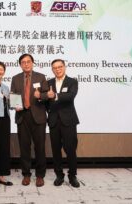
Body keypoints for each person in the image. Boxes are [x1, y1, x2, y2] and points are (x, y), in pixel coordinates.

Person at [10, 54, 49, 187]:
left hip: (38, 116)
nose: (26, 64)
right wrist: (14, 105)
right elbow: (12, 95)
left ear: (32, 63)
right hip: (22, 116)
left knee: (40, 147)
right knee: (24, 147)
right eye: (23, 62)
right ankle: (26, 174)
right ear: (20, 64)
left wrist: (41, 95)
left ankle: (40, 175)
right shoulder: (15, 79)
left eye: (28, 62)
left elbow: (47, 95)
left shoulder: (41, 77)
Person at [46, 59, 80, 188]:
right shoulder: (48, 82)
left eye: (60, 67)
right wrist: (41, 97)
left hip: (69, 121)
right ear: (52, 69)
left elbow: (70, 96)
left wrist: (54, 95)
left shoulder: (72, 81)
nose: (57, 69)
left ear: (64, 67)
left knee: (70, 149)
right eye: (54, 67)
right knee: (55, 150)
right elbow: (45, 101)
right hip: (54, 120)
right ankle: (59, 175)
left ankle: (72, 176)